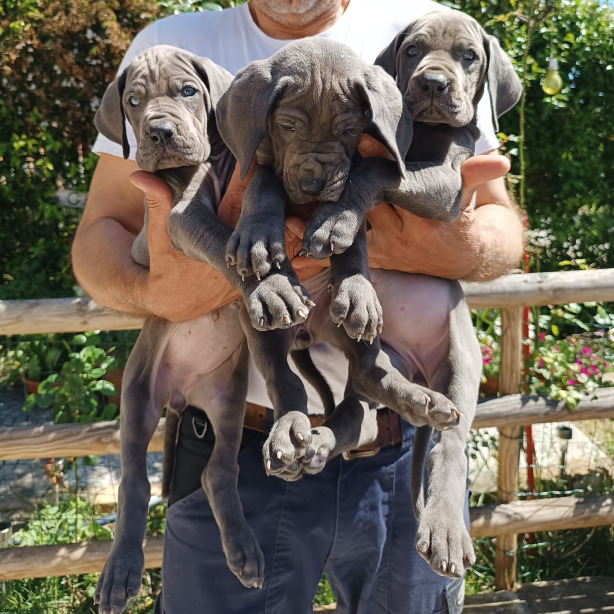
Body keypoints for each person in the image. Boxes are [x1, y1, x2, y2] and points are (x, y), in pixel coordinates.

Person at [72, 1, 524, 612]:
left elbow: (501, 227)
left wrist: (429, 240)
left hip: (398, 443)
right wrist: (164, 291)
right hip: (241, 441)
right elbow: (102, 234)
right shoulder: (173, 43)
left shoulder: (420, 37)